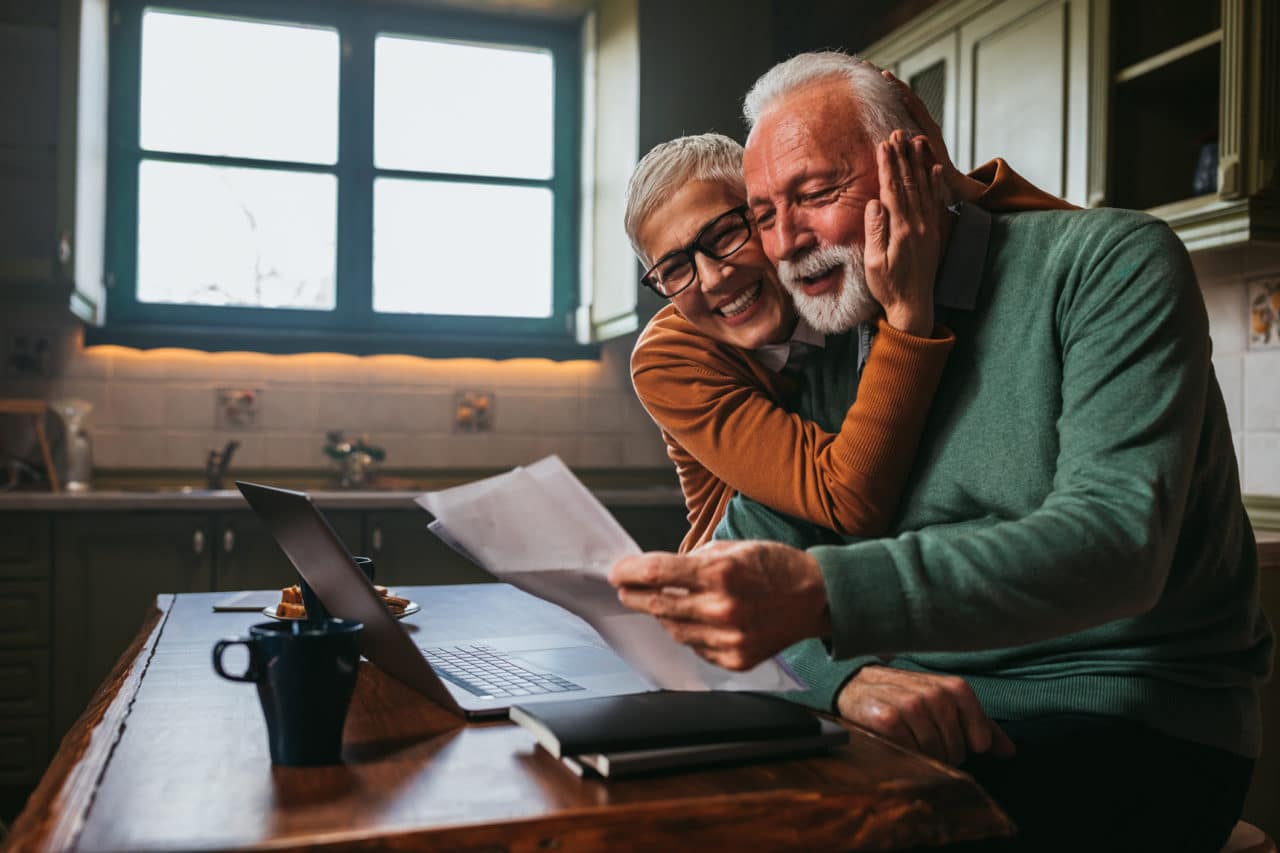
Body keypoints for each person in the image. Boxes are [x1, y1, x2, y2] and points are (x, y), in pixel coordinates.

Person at [611, 52, 1272, 852]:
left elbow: (1117, 542)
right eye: (763, 213)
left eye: (817, 193)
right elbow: (750, 556)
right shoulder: (837, 330)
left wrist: (825, 594)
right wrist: (844, 677)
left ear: (916, 161)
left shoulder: (1110, 262)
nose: (785, 241)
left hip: (1129, 718)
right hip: (911, 713)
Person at [629, 75, 1073, 553]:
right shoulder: (670, 356)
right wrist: (906, 319)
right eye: (674, 269)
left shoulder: (845, 270)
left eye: (723, 236)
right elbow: (843, 498)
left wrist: (949, 183)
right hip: (744, 562)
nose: (712, 278)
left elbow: (1064, 255)